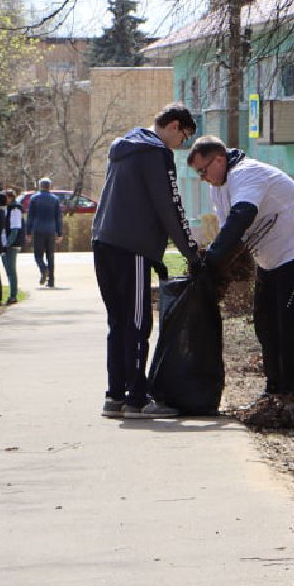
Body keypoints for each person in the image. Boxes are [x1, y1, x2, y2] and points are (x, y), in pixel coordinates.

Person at [185, 137, 294, 405]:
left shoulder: (247, 173)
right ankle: (273, 389)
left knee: (289, 322)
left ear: (219, 159)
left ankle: (288, 393)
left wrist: (212, 258)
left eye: (203, 170)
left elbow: (242, 215)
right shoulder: (219, 185)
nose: (202, 178)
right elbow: (231, 234)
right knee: (264, 322)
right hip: (271, 258)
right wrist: (213, 265)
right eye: (197, 173)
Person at [91, 104, 203, 420]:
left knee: (118, 322)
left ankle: (115, 395)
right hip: (133, 248)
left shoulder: (124, 147)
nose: (181, 145)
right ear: (174, 125)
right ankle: (136, 399)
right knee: (138, 323)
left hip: (104, 243)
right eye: (183, 136)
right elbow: (170, 205)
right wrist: (192, 254)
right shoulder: (155, 153)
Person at [26, 177, 64, 288]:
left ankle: (43, 269)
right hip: (51, 230)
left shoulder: (34, 198)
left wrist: (28, 231)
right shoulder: (55, 199)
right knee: (50, 256)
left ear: (40, 186)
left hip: (38, 229)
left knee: (38, 254)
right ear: (49, 186)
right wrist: (60, 233)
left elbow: (30, 216)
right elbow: (58, 217)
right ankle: (51, 280)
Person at [2, 187, 23, 304]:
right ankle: (12, 294)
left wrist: (8, 244)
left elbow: (15, 228)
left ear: (10, 198)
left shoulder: (15, 209)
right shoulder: (8, 208)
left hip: (11, 244)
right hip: (5, 243)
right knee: (8, 270)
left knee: (11, 270)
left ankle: (13, 295)